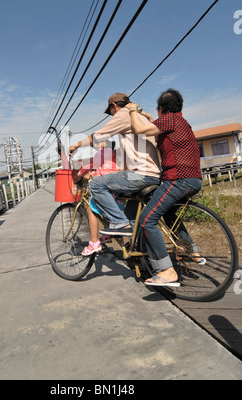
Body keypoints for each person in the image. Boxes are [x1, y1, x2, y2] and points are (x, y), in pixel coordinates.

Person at [124, 88, 203, 287]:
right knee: (169, 215)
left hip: (178, 179)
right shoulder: (182, 122)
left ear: (162, 109)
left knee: (146, 219)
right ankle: (190, 250)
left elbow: (140, 130)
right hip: (193, 179)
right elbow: (158, 130)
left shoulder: (168, 119)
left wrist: (133, 110)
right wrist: (150, 117)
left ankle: (166, 270)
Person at [68, 92, 161, 238]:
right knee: (131, 211)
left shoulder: (124, 114)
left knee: (96, 185)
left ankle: (119, 223)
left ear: (114, 106)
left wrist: (77, 145)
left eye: (111, 112)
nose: (112, 116)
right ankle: (137, 247)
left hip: (140, 175)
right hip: (152, 173)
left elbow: (98, 136)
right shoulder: (140, 116)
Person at [76, 140, 121, 256]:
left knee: (90, 209)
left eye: (98, 142)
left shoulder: (103, 152)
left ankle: (94, 243)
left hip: (107, 188)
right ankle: (107, 234)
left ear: (105, 143)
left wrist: (80, 174)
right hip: (115, 187)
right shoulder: (111, 153)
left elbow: (90, 165)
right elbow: (105, 169)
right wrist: (94, 173)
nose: (94, 144)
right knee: (103, 208)